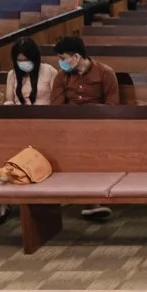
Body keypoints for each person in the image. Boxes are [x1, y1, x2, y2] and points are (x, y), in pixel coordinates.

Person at [0, 37, 57, 224]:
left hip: (45, 127)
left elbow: (57, 101)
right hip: (20, 125)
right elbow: (9, 100)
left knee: (19, 157)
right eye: (19, 61)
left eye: (26, 60)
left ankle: (1, 202)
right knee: (5, 149)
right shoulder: (12, 75)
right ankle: (2, 203)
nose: (23, 64)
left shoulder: (49, 71)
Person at [50, 35, 119, 220]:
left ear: (76, 57)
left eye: (63, 58)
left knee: (90, 150)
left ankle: (92, 200)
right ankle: (82, 199)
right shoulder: (61, 77)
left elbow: (112, 107)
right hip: (69, 128)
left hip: (99, 127)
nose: (60, 63)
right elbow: (56, 108)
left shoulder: (105, 73)